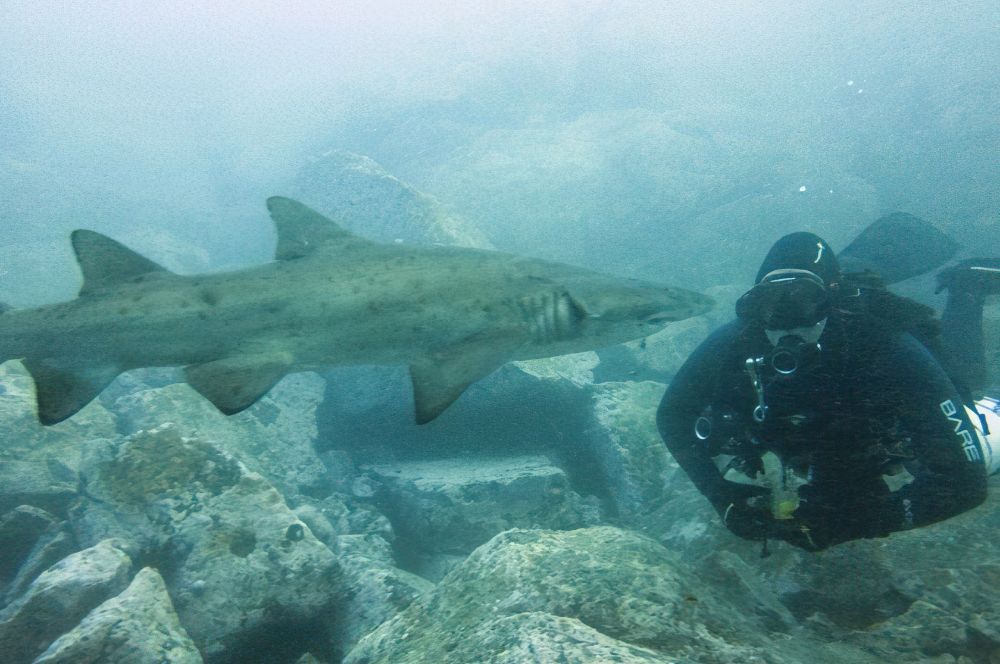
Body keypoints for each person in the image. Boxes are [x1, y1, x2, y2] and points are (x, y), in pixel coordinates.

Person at [657, 230, 1000, 552]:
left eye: (804, 300)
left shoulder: (884, 344)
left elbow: (965, 486)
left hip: (877, 437)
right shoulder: (735, 343)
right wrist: (724, 499)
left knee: (973, 398)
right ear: (756, 306)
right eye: (773, 303)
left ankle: (966, 290)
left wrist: (860, 523)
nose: (789, 320)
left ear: (832, 302)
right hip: (818, 442)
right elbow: (673, 415)